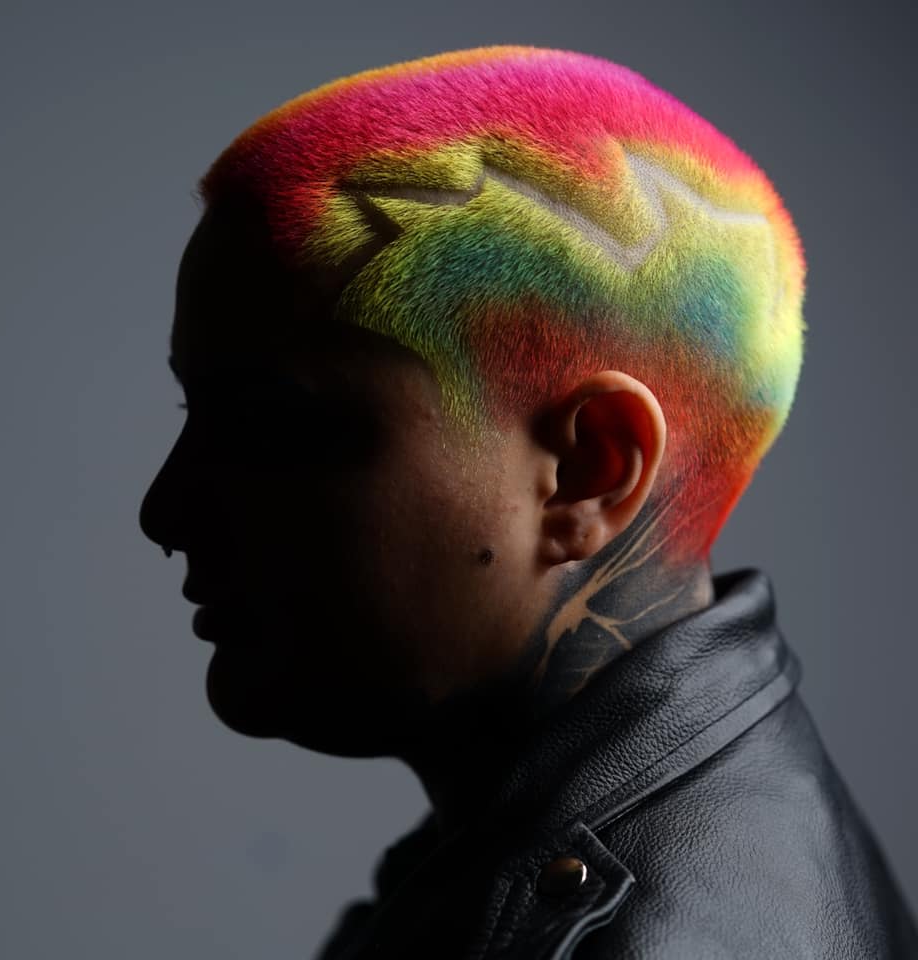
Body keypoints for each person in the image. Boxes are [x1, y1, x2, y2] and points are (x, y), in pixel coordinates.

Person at [138, 45, 918, 959]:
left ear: (590, 470)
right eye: (193, 411)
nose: (165, 513)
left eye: (270, 427)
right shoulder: (517, 846)